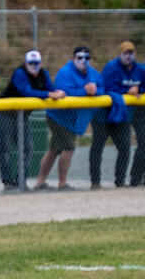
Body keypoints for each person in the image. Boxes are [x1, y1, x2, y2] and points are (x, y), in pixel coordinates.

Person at [0, 50, 65, 189]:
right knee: (6, 149)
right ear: (25, 63)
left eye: (36, 63)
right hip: (5, 114)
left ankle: (20, 181)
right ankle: (8, 183)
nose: (34, 66)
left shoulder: (43, 73)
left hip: (22, 116)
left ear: (41, 63)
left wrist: (58, 92)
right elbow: (26, 92)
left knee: (28, 147)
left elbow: (50, 88)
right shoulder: (19, 73)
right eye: (31, 63)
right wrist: (49, 94)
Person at [36, 46, 103, 191]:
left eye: (87, 58)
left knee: (54, 149)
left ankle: (40, 182)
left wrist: (96, 91)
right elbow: (64, 92)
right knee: (68, 148)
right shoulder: (65, 72)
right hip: (59, 117)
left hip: (74, 120)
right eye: (80, 58)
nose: (83, 61)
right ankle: (62, 183)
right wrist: (84, 91)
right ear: (73, 58)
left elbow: (103, 87)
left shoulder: (93, 73)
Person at [90, 41, 145, 189]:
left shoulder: (140, 69)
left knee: (125, 148)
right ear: (119, 54)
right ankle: (95, 182)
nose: (128, 56)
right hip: (103, 115)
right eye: (125, 53)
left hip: (122, 116)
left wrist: (139, 87)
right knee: (97, 147)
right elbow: (107, 87)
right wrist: (127, 91)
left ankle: (120, 181)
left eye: (131, 53)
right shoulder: (111, 67)